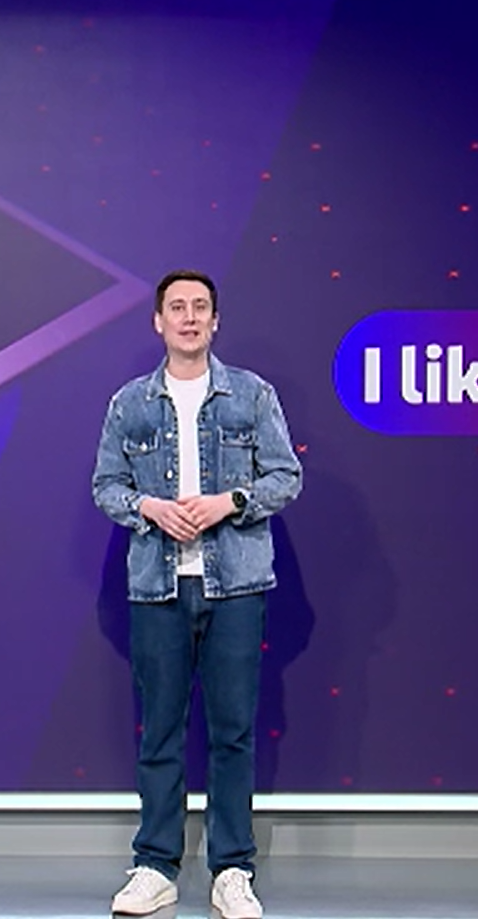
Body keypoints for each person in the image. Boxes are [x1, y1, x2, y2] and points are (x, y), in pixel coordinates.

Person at [92, 269, 302, 919]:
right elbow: (106, 487)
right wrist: (150, 507)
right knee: (160, 731)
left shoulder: (251, 395)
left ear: (215, 320)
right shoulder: (130, 403)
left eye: (200, 307)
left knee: (232, 732)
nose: (189, 317)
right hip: (158, 588)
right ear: (158, 321)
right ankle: (154, 866)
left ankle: (232, 869)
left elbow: (285, 476)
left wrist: (228, 502)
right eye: (177, 307)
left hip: (235, 586)